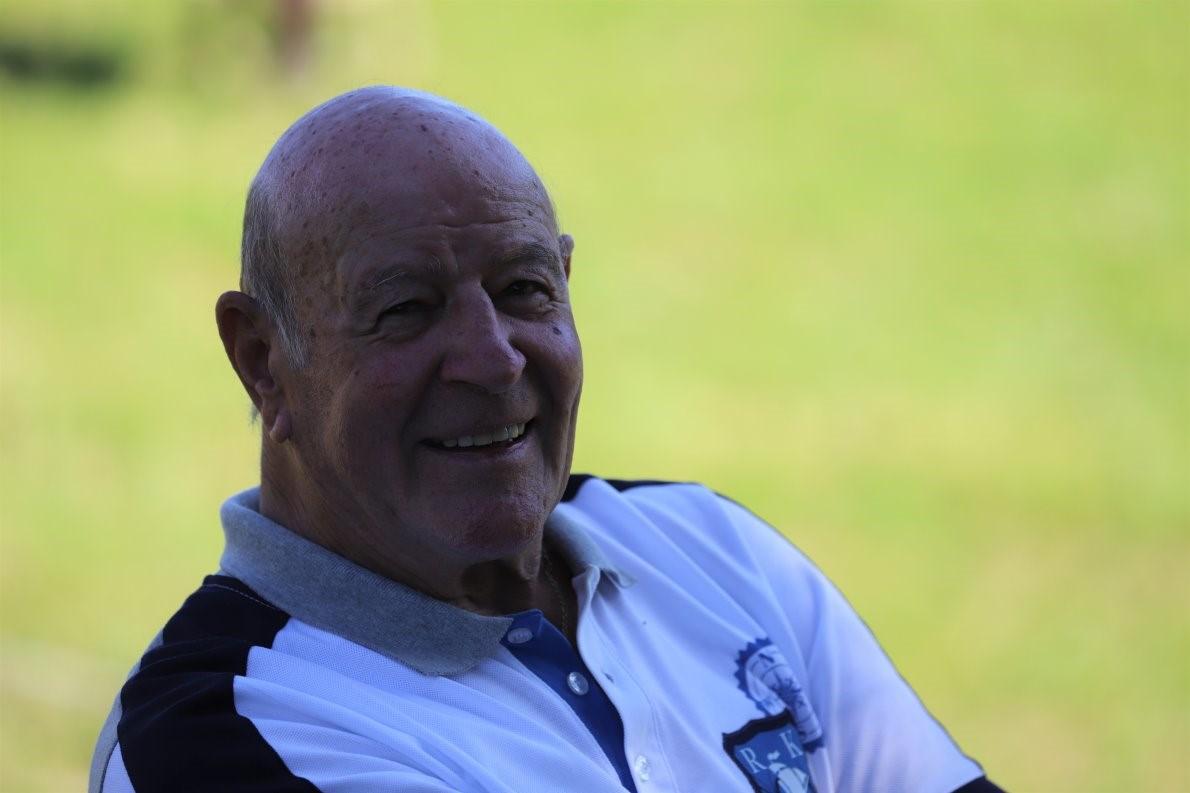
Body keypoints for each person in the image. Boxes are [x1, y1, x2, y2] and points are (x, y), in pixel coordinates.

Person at [90, 86, 1003, 793]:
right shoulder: (221, 738)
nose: (492, 359)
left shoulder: (708, 548)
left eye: (524, 290)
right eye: (407, 309)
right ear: (263, 360)